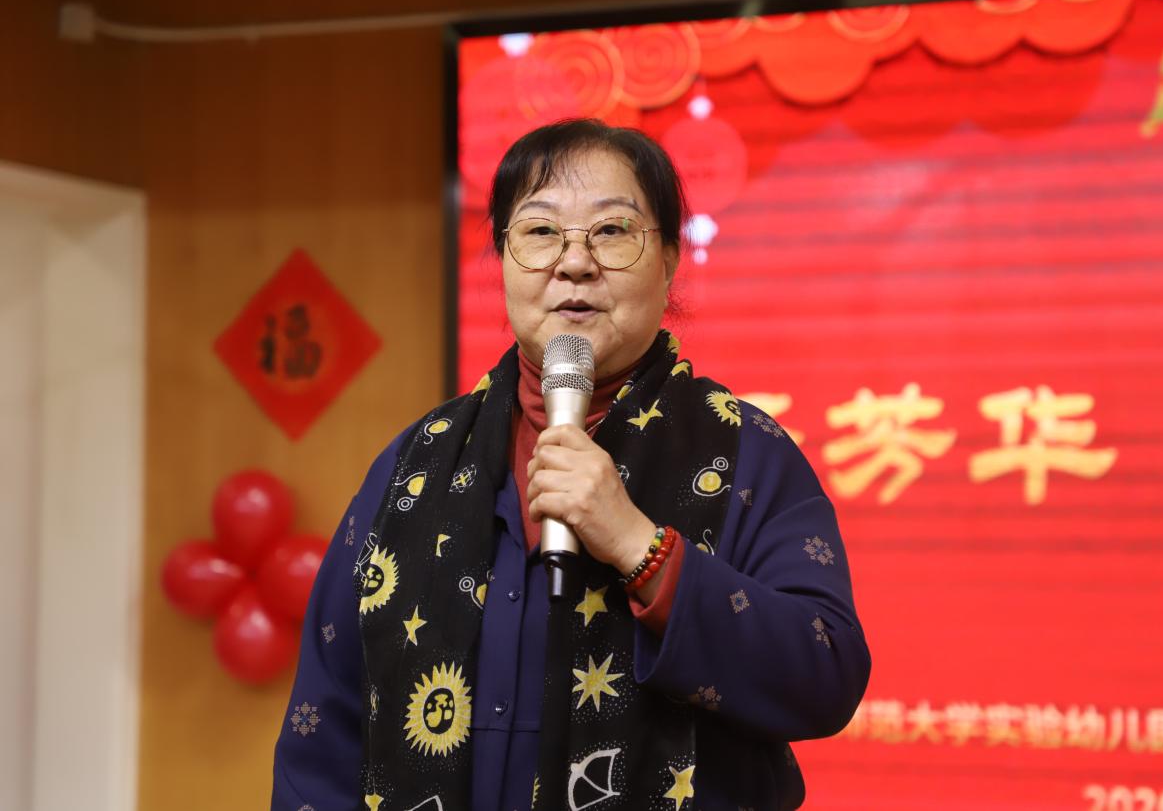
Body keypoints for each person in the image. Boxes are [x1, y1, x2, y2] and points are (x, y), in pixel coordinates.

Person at [272, 118, 870, 811]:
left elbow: (826, 677)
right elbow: (324, 727)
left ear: (670, 259)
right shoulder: (414, 462)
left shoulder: (747, 453)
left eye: (612, 231)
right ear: (503, 257)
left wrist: (641, 547)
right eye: (539, 231)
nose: (574, 263)